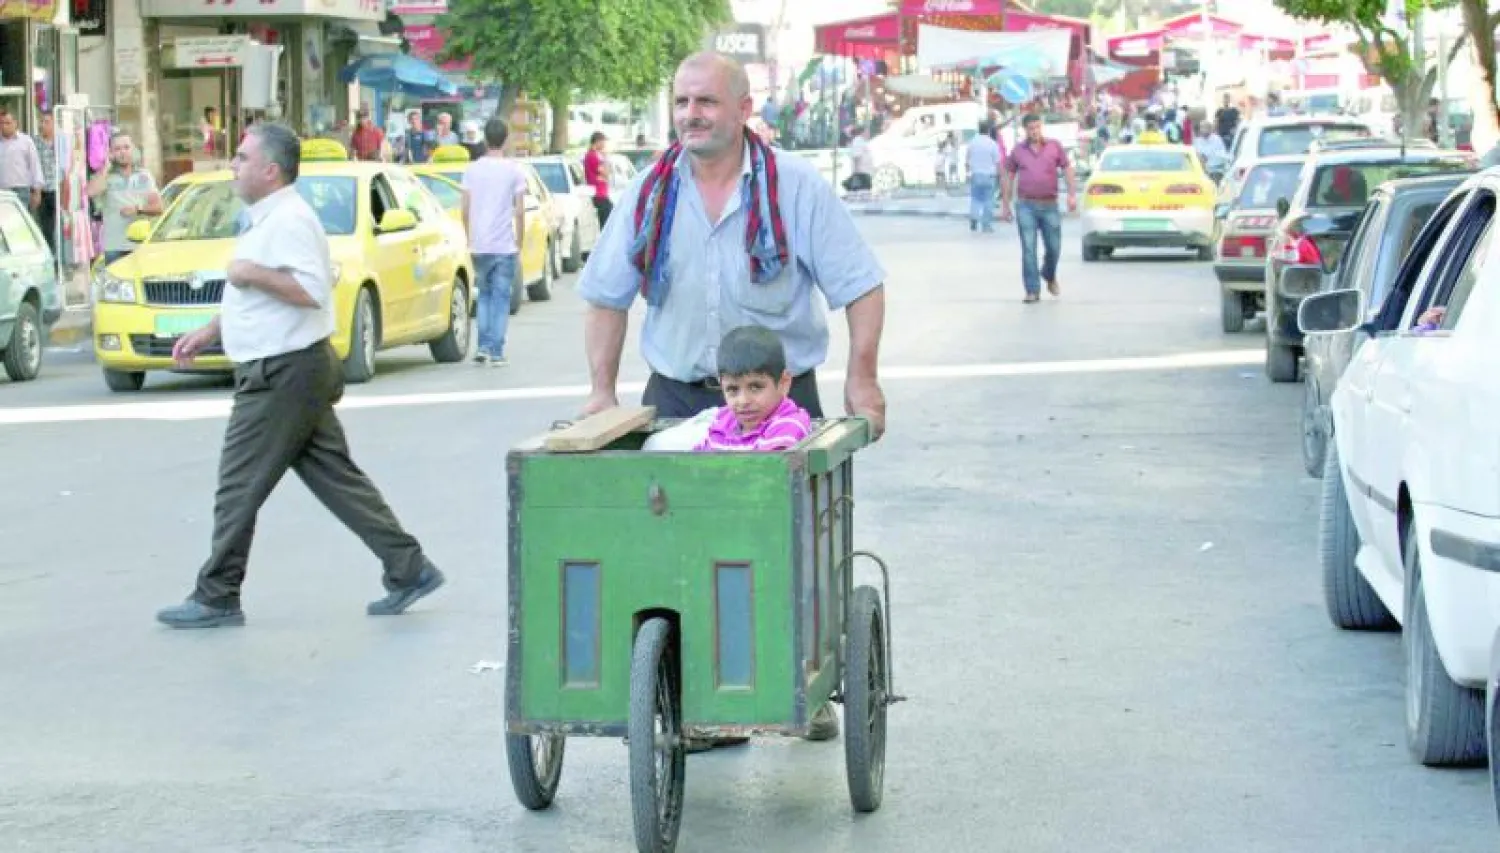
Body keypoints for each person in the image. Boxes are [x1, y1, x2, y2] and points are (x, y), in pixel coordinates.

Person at [576, 51, 887, 747]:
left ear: (744, 109)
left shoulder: (796, 188)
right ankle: (700, 698)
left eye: (706, 102)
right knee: (675, 554)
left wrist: (861, 377)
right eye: (682, 102)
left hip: (781, 402)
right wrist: (601, 390)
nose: (691, 114)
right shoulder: (649, 193)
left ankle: (805, 677)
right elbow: (604, 296)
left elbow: (861, 285)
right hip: (681, 397)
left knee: (791, 548)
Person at [155, 122, 445, 629]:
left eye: (242, 158)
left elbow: (310, 289)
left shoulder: (289, 218)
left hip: (281, 373)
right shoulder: (266, 219)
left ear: (270, 171)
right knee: (336, 479)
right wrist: (211, 330)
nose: (233, 165)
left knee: (238, 485)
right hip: (292, 367)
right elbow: (259, 300)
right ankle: (408, 566)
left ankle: (217, 593)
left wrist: (249, 273)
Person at [462, 118, 528, 365]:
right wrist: (519, 241)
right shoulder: (514, 170)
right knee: (501, 298)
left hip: (479, 244)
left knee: (484, 295)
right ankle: (497, 351)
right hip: (504, 245)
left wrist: (468, 235)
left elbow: (465, 208)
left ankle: (483, 347)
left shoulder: (472, 169)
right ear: (506, 139)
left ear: (485, 139)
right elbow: (519, 210)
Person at [693, 326, 811, 452]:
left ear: (783, 383)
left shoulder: (788, 424)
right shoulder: (722, 420)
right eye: (733, 389)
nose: (743, 401)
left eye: (755, 387)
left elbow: (766, 468)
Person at [1000, 113, 1076, 303]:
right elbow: (1008, 175)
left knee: (1054, 247)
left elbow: (1067, 168)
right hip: (1026, 205)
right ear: (1025, 130)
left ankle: (1049, 274)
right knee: (1028, 248)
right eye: (1031, 128)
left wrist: (1072, 195)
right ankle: (1032, 290)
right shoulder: (1018, 151)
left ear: (1041, 127)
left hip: (1049, 205)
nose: (1034, 132)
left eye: (1037, 127)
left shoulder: (1054, 146)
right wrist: (1005, 205)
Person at [87, 131, 162, 265]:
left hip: (141, 246)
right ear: (110, 152)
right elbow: (90, 192)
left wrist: (138, 209)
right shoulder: (105, 177)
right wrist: (106, 167)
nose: (123, 152)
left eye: (126, 147)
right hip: (115, 247)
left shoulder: (144, 176)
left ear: (132, 149)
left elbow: (158, 208)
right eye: (117, 149)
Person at [0, 107, 42, 215]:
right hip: (3, 192)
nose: (4, 126)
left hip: (21, 191)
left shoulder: (26, 141)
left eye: (7, 123)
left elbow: (35, 166)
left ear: (15, 123)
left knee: (19, 226)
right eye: (1, 123)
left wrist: (37, 192)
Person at [966, 121, 1003, 233]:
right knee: (989, 200)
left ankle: (974, 217)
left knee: (975, 198)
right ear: (988, 130)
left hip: (976, 174)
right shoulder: (992, 144)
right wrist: (1000, 176)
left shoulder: (972, 143)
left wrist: (968, 172)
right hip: (989, 175)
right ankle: (986, 225)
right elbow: (997, 162)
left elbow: (967, 159)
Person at [581, 131, 613, 228]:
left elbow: (606, 174)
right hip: (599, 194)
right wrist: (605, 157)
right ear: (598, 141)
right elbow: (606, 173)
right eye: (603, 141)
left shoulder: (593, 155)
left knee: (608, 219)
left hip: (601, 193)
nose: (604, 144)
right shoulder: (592, 156)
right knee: (606, 224)